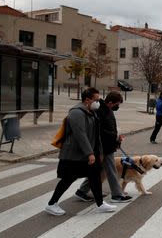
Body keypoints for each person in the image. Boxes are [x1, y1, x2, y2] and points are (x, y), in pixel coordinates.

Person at [45, 87, 116, 216]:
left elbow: (96, 135)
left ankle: (100, 204)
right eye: (96, 99)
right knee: (67, 179)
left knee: (95, 177)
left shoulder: (92, 112)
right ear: (87, 100)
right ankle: (51, 204)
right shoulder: (76, 113)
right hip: (74, 155)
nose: (98, 102)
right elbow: (80, 134)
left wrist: (99, 152)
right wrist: (89, 153)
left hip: (87, 154)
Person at [74, 91, 133, 203]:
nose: (118, 107)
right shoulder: (100, 111)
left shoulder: (107, 110)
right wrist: (113, 136)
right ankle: (117, 195)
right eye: (117, 104)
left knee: (98, 171)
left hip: (108, 144)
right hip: (103, 146)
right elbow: (99, 130)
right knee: (111, 170)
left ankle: (81, 191)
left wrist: (116, 138)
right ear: (110, 102)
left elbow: (110, 127)